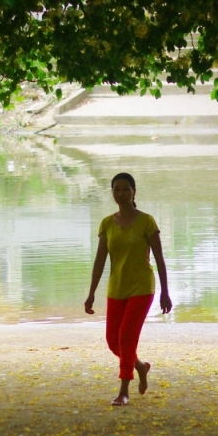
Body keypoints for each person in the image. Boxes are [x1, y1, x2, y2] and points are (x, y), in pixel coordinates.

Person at [84, 172, 173, 406]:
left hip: (142, 286)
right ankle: (141, 366)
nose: (121, 194)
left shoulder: (147, 221)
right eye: (116, 189)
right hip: (117, 287)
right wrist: (91, 293)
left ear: (134, 192)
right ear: (112, 192)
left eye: (125, 189)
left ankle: (124, 389)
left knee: (126, 337)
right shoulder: (107, 223)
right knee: (113, 341)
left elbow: (160, 259)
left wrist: (165, 291)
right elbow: (100, 260)